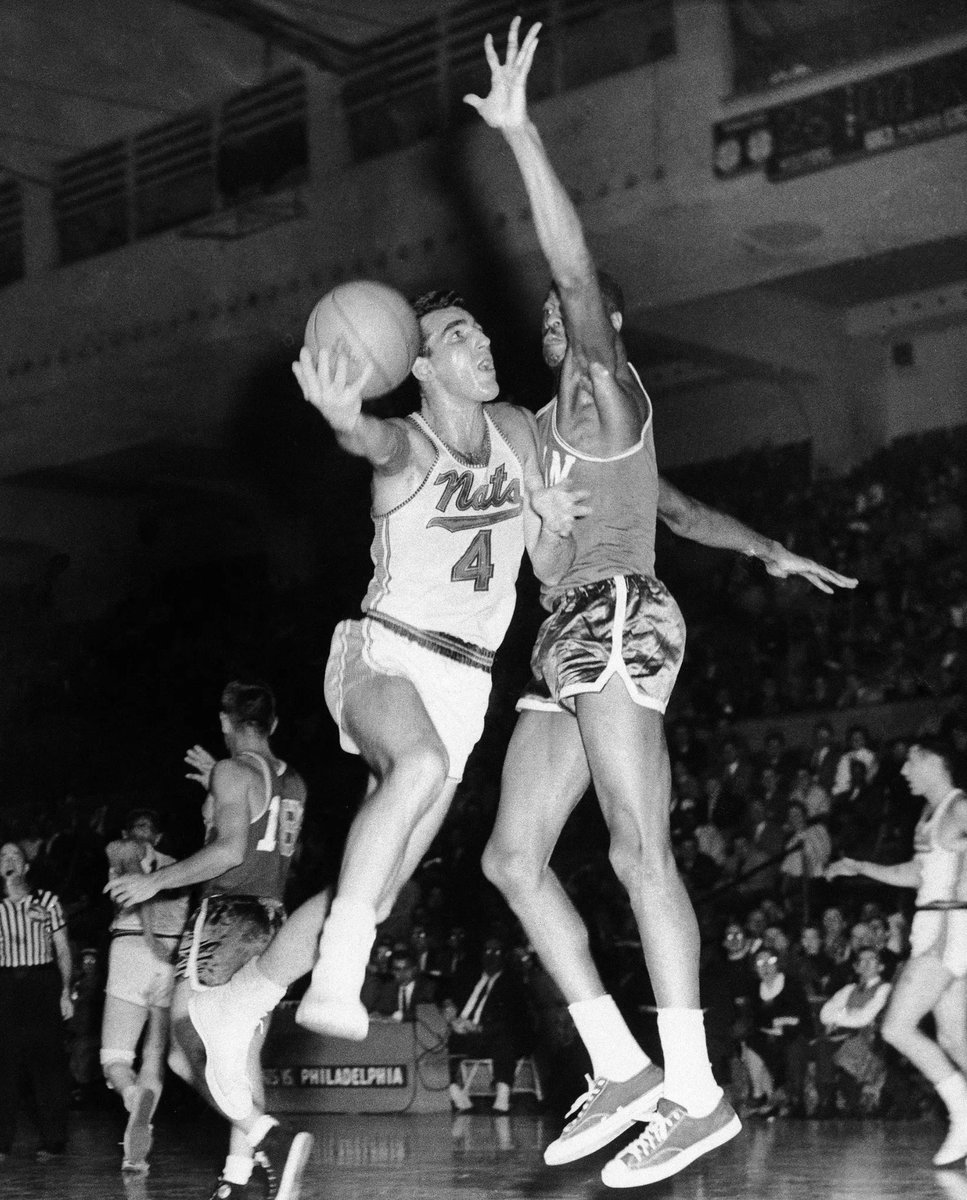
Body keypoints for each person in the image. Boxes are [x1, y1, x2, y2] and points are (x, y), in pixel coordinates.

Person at [463, 17, 858, 1187]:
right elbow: (681, 510)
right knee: (510, 860)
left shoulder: (604, 389)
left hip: (618, 616)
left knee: (640, 851)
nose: (554, 324)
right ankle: (621, 1066)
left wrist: (524, 135)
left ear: (603, 331)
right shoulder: (544, 435)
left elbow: (576, 270)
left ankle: (696, 1094)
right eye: (540, 320)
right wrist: (771, 547)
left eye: (567, 315)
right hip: (562, 639)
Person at [181, 289, 586, 1121]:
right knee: (420, 766)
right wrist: (340, 415)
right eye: (456, 334)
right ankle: (335, 978)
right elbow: (367, 439)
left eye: (478, 326)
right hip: (383, 653)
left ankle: (236, 1001)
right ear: (421, 365)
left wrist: (550, 521)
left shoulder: (515, 429)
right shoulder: (408, 442)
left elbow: (546, 568)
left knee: (380, 886)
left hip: (467, 683)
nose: (479, 339)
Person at [106, 681, 314, 1200]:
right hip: (270, 918)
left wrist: (154, 881)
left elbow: (229, 852)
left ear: (226, 722)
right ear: (273, 723)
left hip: (225, 918)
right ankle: (239, 1178)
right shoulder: (294, 781)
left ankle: (267, 1135)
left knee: (182, 1049)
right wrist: (217, 792)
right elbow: (266, 841)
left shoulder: (232, 771)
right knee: (238, 1053)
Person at [827, 736, 967, 1164]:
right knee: (953, 1038)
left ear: (934, 761)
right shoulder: (929, 816)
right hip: (931, 921)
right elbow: (918, 873)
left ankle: (963, 1115)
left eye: (911, 762)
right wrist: (861, 866)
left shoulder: (961, 807)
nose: (904, 772)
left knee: (895, 1028)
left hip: (950, 925)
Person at [100, 808, 190, 1173]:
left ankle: (131, 1094)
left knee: (115, 1058)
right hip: (169, 959)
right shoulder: (181, 866)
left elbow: (126, 887)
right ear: (158, 836)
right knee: (154, 1051)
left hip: (130, 951)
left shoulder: (120, 857)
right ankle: (134, 1155)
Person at [0, 840, 73, 1162]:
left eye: (15, 855)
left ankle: (54, 1141)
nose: (9, 860)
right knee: (4, 1064)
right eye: (3, 856)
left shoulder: (47, 901)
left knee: (48, 1065)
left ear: (26, 866)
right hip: (4, 984)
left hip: (42, 981)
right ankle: (1, 1143)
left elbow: (63, 949)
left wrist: (65, 991)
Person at [443, 935, 532, 1114]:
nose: (491, 956)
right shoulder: (470, 978)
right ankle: (456, 1093)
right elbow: (447, 995)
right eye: (488, 951)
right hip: (462, 1032)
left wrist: (479, 1028)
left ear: (504, 956)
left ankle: (502, 1097)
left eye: (497, 951)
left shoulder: (512, 983)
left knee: (504, 1039)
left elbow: (512, 1019)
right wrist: (451, 1015)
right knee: (431, 1041)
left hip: (492, 1035)